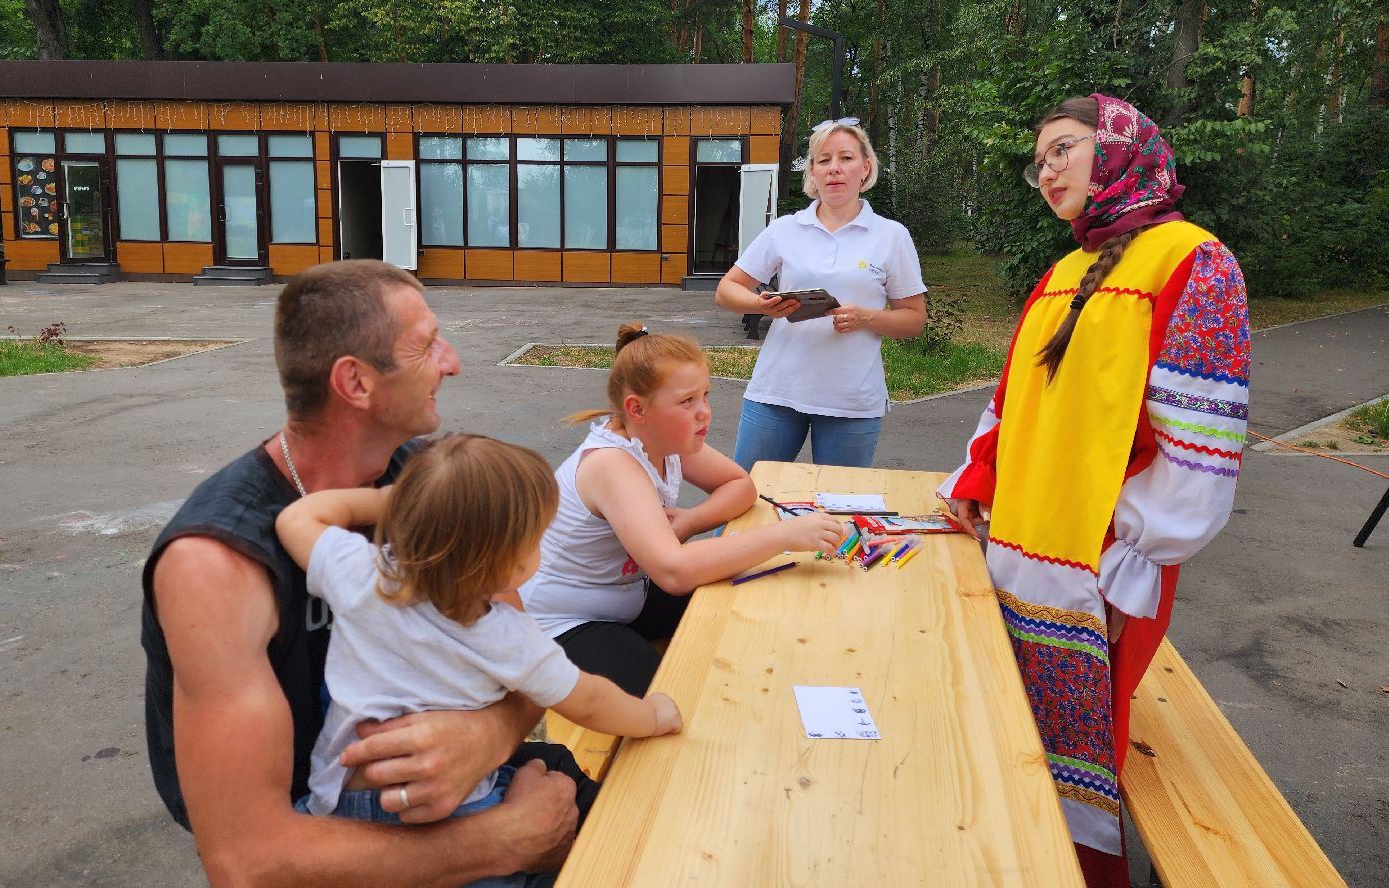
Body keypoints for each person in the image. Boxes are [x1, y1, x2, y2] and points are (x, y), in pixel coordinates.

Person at [141, 260, 591, 887]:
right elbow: (246, 861)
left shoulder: (428, 480)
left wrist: (484, 736)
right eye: (426, 344)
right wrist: (500, 841)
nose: (453, 361)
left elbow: (514, 641)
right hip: (332, 843)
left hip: (459, 791)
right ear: (355, 382)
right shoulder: (217, 563)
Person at [939, 95, 1250, 888]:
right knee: (1014, 731)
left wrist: (1145, 547)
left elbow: (1201, 437)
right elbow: (1012, 398)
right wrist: (980, 476)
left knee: (1077, 753)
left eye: (1062, 150)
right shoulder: (1067, 268)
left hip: (1103, 561)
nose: (1046, 171)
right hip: (1019, 539)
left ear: (1117, 149)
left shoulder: (1193, 261)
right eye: (1037, 159)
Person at [275, 434, 681, 886]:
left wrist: (390, 503)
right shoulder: (509, 638)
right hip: (461, 811)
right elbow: (589, 700)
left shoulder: (365, 575)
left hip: (339, 808)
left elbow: (298, 517)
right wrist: (652, 715)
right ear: (513, 562)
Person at [517, 323, 847, 695]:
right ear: (637, 409)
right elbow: (674, 571)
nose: (704, 412)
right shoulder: (612, 464)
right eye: (687, 401)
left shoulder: (664, 438)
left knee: (737, 602)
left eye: (705, 395)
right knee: (669, 690)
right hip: (566, 622)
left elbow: (741, 486)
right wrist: (785, 535)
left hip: (628, 596)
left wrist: (691, 520)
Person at [714, 118, 927, 470]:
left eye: (845, 158)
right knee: (746, 498)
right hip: (776, 393)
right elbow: (726, 291)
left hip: (851, 401)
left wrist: (866, 317)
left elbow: (914, 320)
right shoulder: (785, 229)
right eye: (823, 160)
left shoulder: (891, 236)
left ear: (865, 168)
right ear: (812, 171)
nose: (834, 169)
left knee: (836, 510)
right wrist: (764, 305)